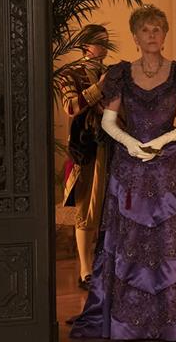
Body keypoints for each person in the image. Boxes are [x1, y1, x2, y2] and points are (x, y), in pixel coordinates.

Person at [70, 5, 176, 340]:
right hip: (131, 165)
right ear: (135, 37)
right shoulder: (119, 74)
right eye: (146, 30)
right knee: (132, 240)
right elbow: (110, 122)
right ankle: (130, 318)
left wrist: (160, 142)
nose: (152, 35)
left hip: (171, 164)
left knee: (174, 242)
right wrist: (131, 144)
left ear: (165, 34)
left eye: (158, 29)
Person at [58, 24, 111, 290]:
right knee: (86, 208)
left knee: (108, 207)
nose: (103, 46)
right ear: (85, 45)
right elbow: (71, 107)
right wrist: (99, 89)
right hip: (86, 146)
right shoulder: (72, 73)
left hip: (112, 145)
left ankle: (105, 266)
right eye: (98, 41)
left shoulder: (112, 73)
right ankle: (85, 269)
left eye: (106, 41)